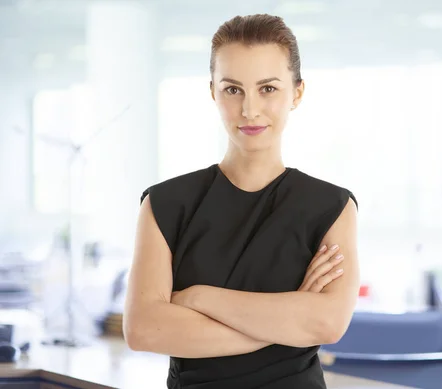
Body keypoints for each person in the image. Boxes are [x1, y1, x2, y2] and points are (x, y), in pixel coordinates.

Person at [123, 13, 359, 389]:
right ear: (213, 91)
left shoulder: (332, 207)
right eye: (233, 89)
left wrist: (199, 298)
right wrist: (287, 322)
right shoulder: (164, 204)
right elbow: (143, 331)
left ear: (296, 93)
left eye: (268, 88)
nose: (249, 109)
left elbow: (327, 324)